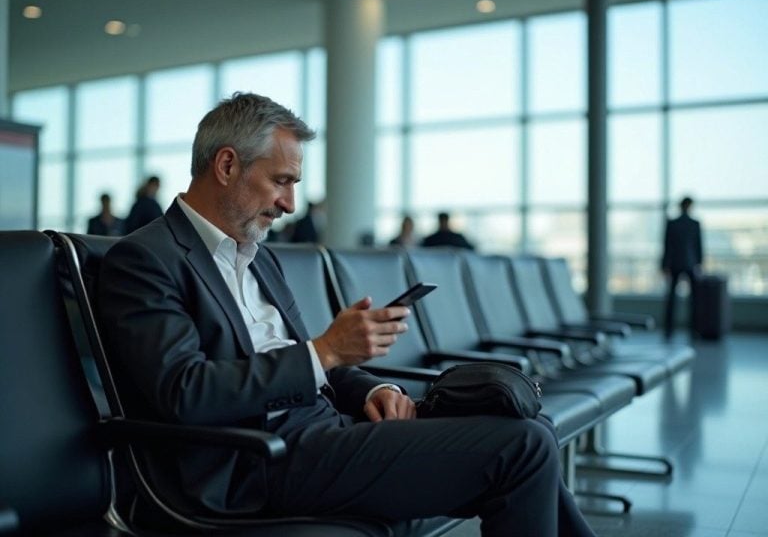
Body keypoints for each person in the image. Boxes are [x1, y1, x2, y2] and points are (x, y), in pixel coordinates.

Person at [98, 92, 595, 537]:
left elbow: (309, 364)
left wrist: (377, 388)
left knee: (535, 430)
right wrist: (327, 350)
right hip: (253, 459)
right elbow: (184, 392)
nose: (290, 204)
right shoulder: (146, 259)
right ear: (227, 166)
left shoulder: (259, 257)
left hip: (325, 433)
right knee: (522, 447)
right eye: (281, 181)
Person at [661, 196, 703, 340]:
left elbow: (667, 246)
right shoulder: (694, 223)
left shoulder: (673, 223)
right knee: (695, 300)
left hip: (675, 263)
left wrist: (664, 265)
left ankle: (669, 330)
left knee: (672, 299)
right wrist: (699, 263)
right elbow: (699, 246)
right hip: (690, 263)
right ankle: (694, 330)